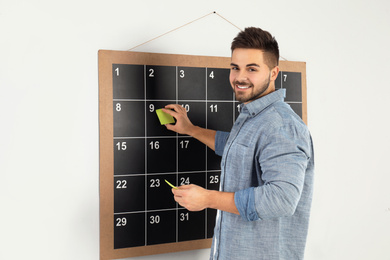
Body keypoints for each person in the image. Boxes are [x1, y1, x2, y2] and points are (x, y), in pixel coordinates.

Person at [162, 27, 314, 260]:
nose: (239, 77)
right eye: (235, 68)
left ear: (274, 73)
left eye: (252, 69)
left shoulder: (281, 125)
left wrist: (208, 198)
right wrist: (190, 129)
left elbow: (282, 199)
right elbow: (237, 147)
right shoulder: (255, 116)